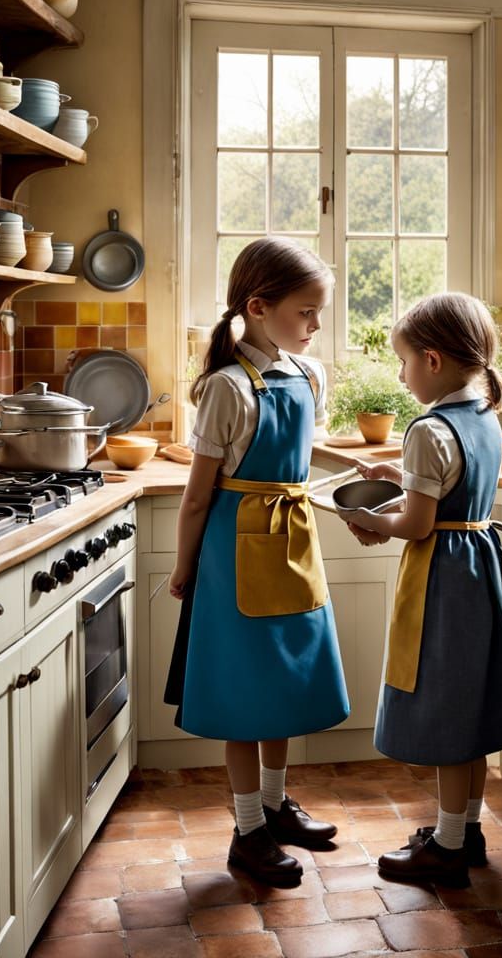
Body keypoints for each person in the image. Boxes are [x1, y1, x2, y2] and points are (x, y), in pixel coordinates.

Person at [339, 292, 502, 886]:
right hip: (478, 568)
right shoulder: (483, 413)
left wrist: (368, 519)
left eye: (403, 362)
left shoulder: (429, 428)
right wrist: (396, 478)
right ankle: (463, 829)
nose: (401, 376)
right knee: (471, 710)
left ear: (432, 361)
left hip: (443, 583)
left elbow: (418, 523)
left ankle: (448, 851)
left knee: (451, 718)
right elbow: (448, 495)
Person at [164, 237, 350, 887]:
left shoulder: (307, 374)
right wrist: (186, 568)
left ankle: (274, 806)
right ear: (259, 307)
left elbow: (304, 461)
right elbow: (195, 499)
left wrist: (367, 475)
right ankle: (247, 831)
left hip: (291, 544)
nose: (316, 326)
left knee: (281, 683)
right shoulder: (225, 388)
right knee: (244, 696)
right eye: (306, 313)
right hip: (232, 557)